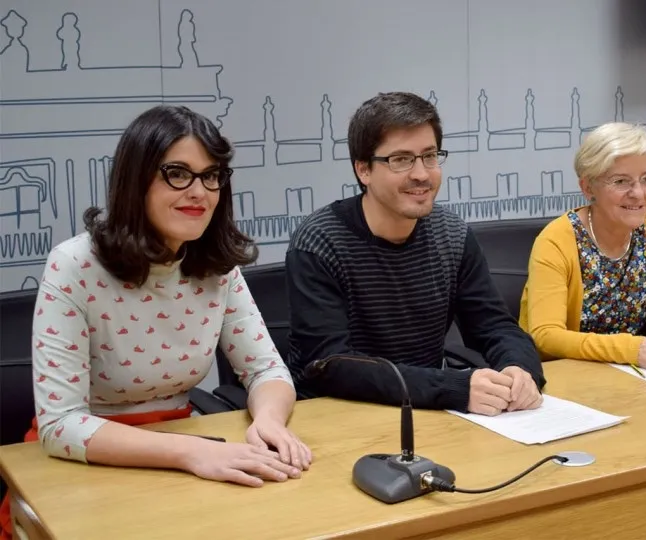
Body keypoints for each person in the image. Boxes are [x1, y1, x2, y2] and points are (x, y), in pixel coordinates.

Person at [0, 106, 312, 536]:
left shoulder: (217, 267)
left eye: (211, 175)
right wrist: (190, 453)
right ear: (136, 180)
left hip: (185, 452)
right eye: (177, 173)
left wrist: (268, 421)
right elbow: (60, 424)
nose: (199, 191)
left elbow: (265, 370)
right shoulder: (74, 265)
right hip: (85, 462)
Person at [285, 91, 545, 417]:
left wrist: (519, 370)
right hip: (338, 415)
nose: (422, 174)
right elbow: (330, 365)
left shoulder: (452, 234)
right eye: (401, 159)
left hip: (430, 410)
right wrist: (453, 388)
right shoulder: (319, 243)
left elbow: (495, 327)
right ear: (363, 170)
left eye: (430, 156)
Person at [518, 122, 646, 371]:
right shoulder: (556, 241)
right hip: (563, 379)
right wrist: (632, 349)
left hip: (636, 377)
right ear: (588, 187)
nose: (638, 193)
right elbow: (546, 335)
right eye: (621, 181)